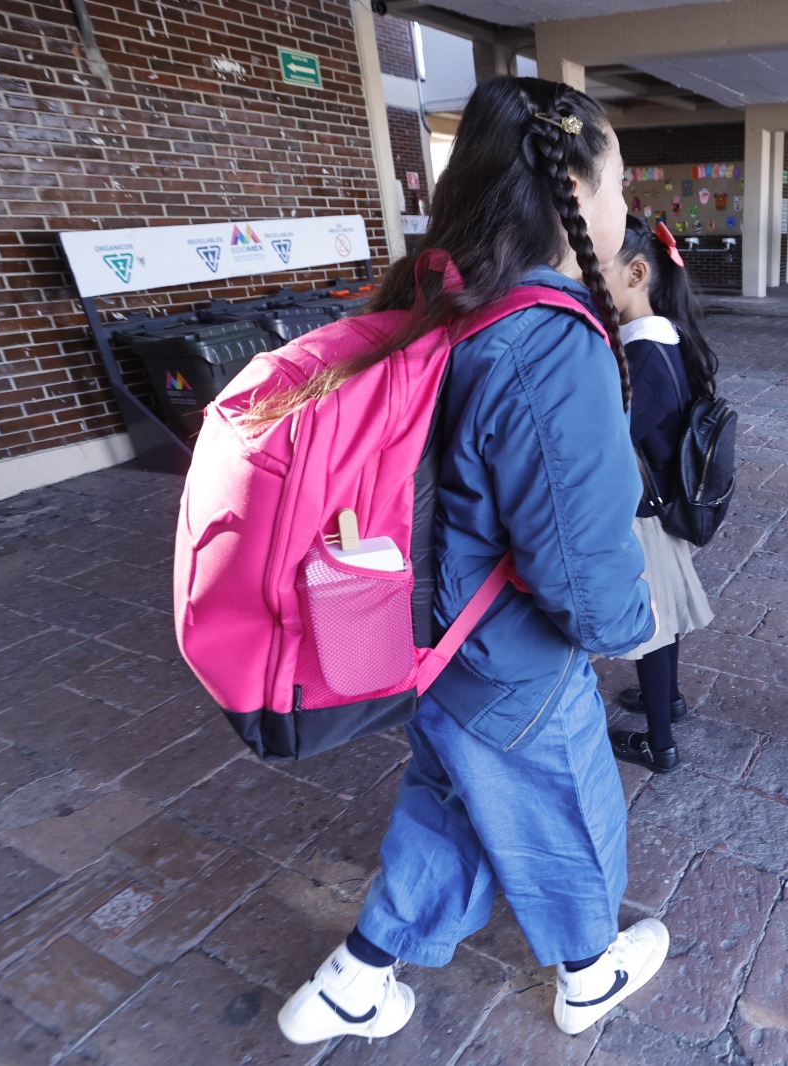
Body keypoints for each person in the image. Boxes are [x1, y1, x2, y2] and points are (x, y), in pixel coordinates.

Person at [276, 76, 669, 1046]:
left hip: (426, 645)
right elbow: (579, 568)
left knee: (453, 807)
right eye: (617, 179)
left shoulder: (435, 294)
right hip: (510, 661)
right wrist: (632, 628)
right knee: (568, 812)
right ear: (571, 187)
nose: (624, 204)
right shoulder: (547, 345)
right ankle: (588, 972)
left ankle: (357, 977)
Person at [603, 216, 718, 772]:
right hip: (662, 503)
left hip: (643, 513)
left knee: (648, 625)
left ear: (637, 273)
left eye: (595, 273)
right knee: (665, 618)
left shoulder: (642, 357)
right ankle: (666, 700)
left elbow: (612, 440)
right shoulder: (663, 338)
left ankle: (659, 742)